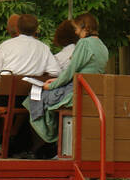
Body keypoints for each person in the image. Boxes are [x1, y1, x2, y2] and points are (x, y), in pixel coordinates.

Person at [25, 13, 108, 156]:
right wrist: (56, 82)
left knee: (35, 96)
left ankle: (48, 137)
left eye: (77, 28)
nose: (76, 32)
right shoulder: (102, 45)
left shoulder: (84, 43)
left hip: (77, 91)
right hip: (91, 90)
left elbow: (71, 71)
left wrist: (51, 85)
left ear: (85, 28)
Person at [0, 13, 58, 84]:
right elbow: (56, 72)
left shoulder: (6, 45)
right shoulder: (44, 48)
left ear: (17, 28)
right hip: (32, 93)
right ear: (36, 29)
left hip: (7, 93)